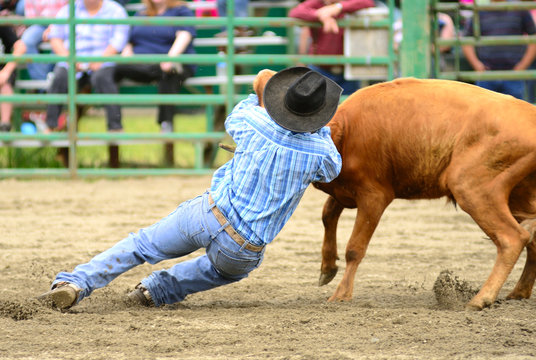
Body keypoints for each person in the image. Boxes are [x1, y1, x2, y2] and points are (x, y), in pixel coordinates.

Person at [37, 66, 343, 310]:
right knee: (222, 271)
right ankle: (154, 290)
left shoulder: (253, 121)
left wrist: (264, 93)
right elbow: (332, 169)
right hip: (243, 247)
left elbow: (241, 111)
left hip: (209, 213)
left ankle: (75, 284)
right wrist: (318, 129)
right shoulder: (321, 151)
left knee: (140, 245)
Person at [44, 0, 129, 132]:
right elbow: (55, 38)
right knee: (60, 77)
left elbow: (119, 40)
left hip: (103, 62)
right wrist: (69, 59)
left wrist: (100, 60)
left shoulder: (116, 10)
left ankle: (115, 127)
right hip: (71, 62)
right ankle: (50, 125)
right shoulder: (67, 10)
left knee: (104, 79)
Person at [113, 0, 197, 133]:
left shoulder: (181, 11)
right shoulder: (141, 13)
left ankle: (166, 124)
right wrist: (127, 51)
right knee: (110, 70)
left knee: (170, 72)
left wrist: (170, 58)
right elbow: (130, 40)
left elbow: (185, 35)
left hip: (171, 63)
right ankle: (113, 124)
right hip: (142, 64)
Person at [289, 0, 375, 95]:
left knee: (348, 106)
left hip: (348, 70)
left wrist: (338, 7)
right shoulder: (317, 3)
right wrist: (321, 15)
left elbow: (368, 2)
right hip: (320, 68)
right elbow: (295, 12)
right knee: (315, 106)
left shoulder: (347, 3)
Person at [462, 0, 536, 100]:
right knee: (486, 112)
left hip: (513, 75)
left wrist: (521, 67)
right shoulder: (480, 11)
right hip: (487, 75)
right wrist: (477, 65)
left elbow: (533, 38)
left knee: (514, 113)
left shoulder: (519, 8)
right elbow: (466, 41)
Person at [0, 26, 18, 132]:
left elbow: (21, 46)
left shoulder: (2, 26)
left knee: (5, 84)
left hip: (3, 69)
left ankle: (4, 125)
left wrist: (6, 71)